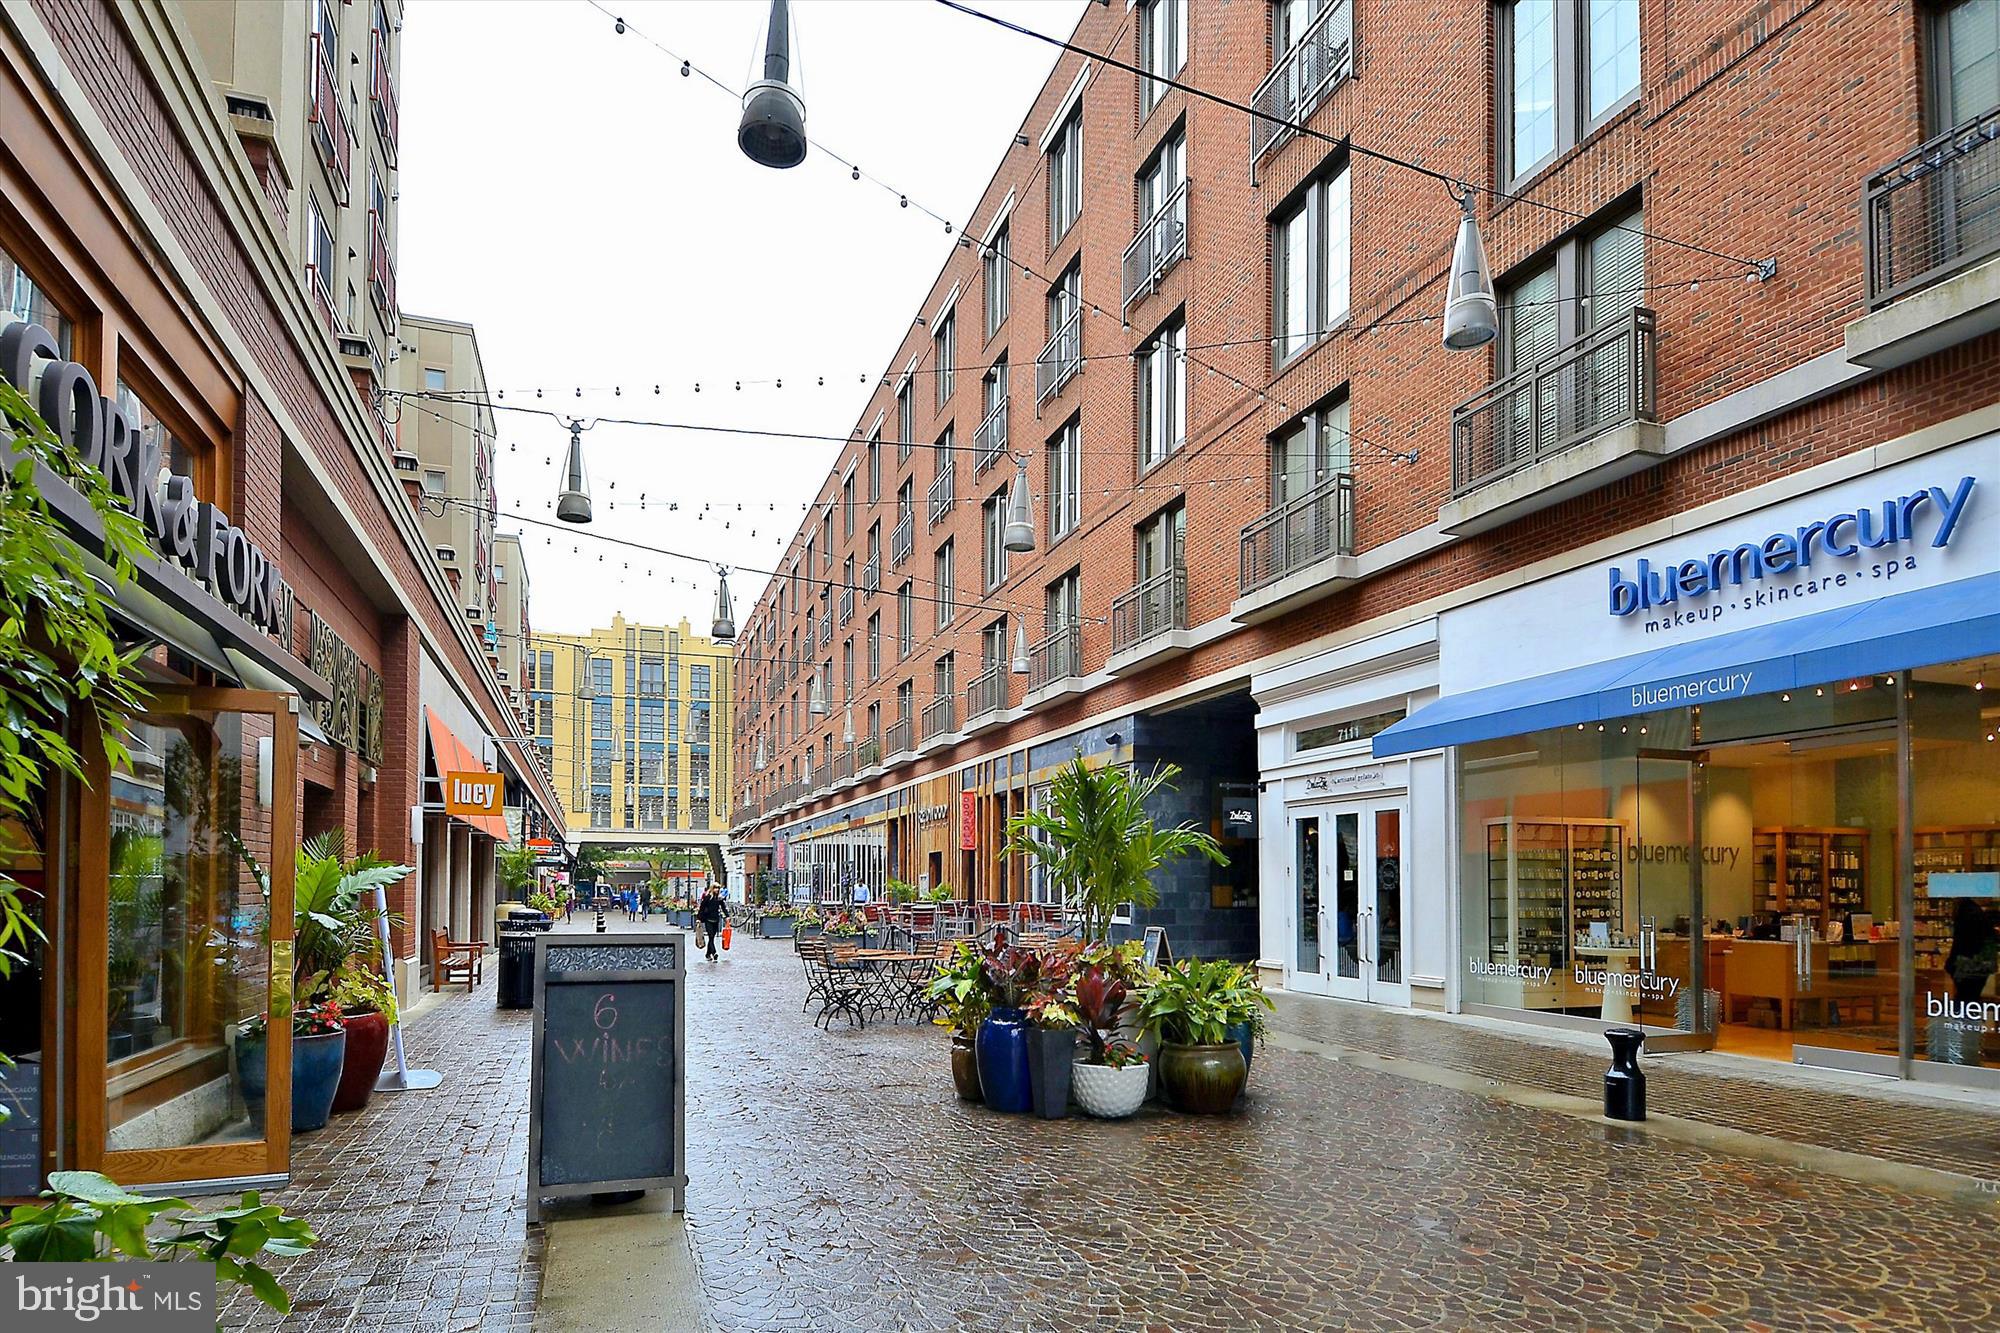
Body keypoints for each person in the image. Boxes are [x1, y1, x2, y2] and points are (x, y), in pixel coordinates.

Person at [696, 883, 726, 963]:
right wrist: (699, 918)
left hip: (716, 920)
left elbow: (723, 908)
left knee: (712, 938)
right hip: (708, 919)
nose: (717, 890)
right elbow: (702, 908)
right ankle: (714, 953)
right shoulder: (707, 898)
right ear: (712, 889)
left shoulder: (719, 899)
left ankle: (708, 954)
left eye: (718, 888)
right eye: (715, 888)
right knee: (711, 936)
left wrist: (727, 916)